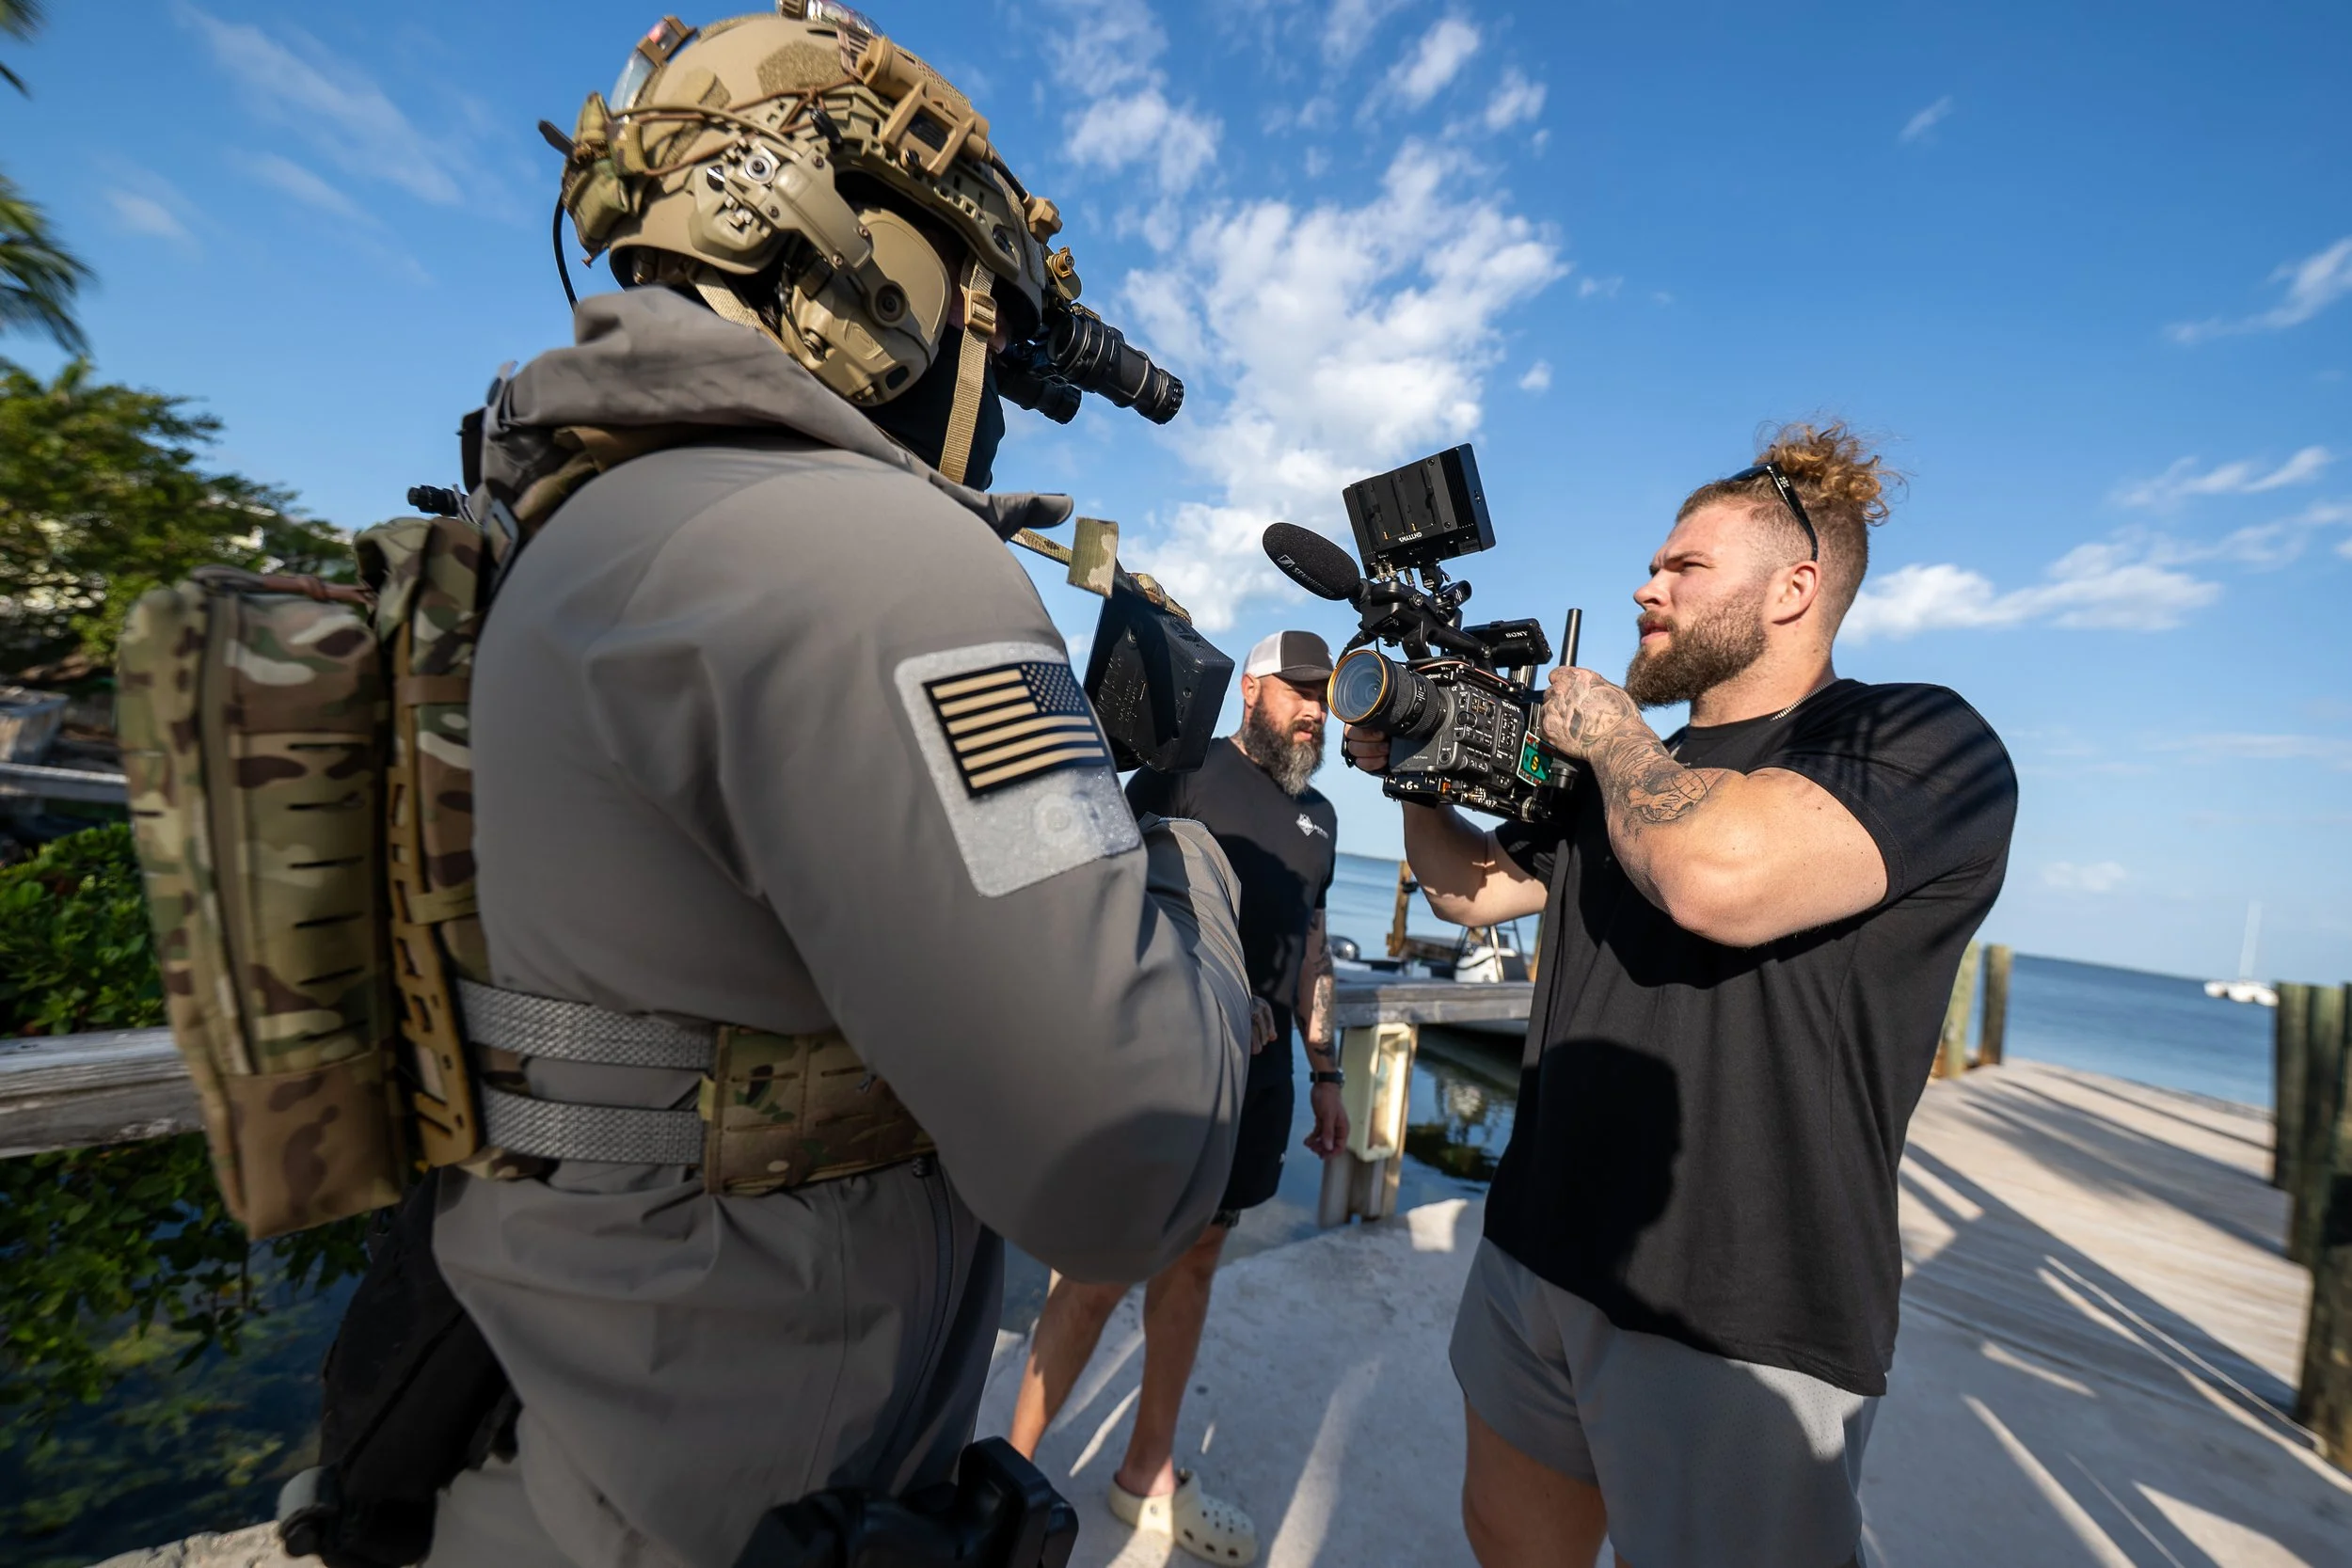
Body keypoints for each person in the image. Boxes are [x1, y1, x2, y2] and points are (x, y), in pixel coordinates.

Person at [416, 11, 1255, 1568]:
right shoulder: (863, 554)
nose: (991, 395)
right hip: (727, 1507)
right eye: (993, 327)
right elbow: (1118, 1170)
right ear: (883, 268)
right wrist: (1197, 853)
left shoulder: (570, 533)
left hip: (551, 1440)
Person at [1345, 424, 2018, 1568]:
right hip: (1537, 1250)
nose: (1644, 587)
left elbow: (1716, 876)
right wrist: (1408, 767)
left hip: (1739, 1308)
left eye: (1683, 568)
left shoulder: (1914, 736)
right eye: (1653, 566)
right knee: (1506, 1540)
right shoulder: (1629, 777)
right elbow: (1468, 894)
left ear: (1793, 588)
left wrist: (1606, 732)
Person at [1007, 629, 1350, 1565]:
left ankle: (1144, 1472)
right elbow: (1106, 890)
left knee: (1196, 1264)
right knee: (1099, 1267)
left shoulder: (1320, 813)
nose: (1316, 706)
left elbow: (1313, 943)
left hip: (1265, 1082)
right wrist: (1198, 997)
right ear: (1252, 687)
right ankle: (1006, 1474)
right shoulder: (1185, 769)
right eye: (1299, 689)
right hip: (1169, 1063)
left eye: (1326, 694)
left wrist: (1327, 1072)